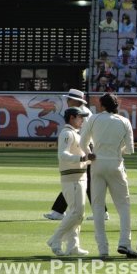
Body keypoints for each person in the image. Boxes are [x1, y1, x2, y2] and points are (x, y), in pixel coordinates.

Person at [80, 93, 137, 258]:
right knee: (124, 206)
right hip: (115, 164)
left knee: (97, 207)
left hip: (97, 163)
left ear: (102, 106)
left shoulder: (94, 119)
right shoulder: (124, 121)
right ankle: (125, 243)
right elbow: (131, 150)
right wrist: (117, 151)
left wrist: (89, 153)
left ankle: (103, 250)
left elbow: (82, 143)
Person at [43, 89, 109, 221]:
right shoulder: (79, 112)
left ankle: (59, 211)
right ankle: (59, 211)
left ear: (76, 101)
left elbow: (85, 135)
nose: (67, 101)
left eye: (69, 99)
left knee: (78, 180)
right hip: (83, 149)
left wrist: (85, 153)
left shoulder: (83, 114)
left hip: (86, 150)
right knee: (78, 180)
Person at [47, 107, 96, 256]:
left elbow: (82, 158)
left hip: (79, 177)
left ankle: (73, 246)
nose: (82, 120)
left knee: (77, 214)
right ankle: (55, 239)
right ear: (72, 118)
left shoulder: (75, 133)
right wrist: (82, 159)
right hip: (72, 178)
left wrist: (89, 160)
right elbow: (63, 155)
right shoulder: (67, 133)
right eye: (80, 117)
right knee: (76, 212)